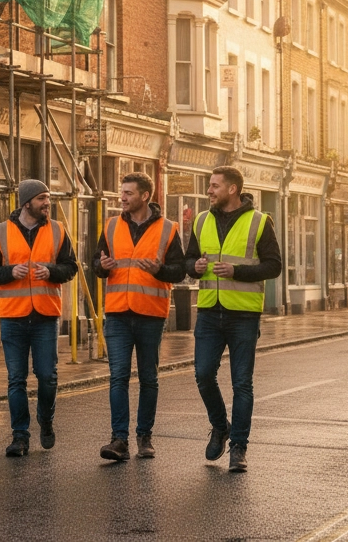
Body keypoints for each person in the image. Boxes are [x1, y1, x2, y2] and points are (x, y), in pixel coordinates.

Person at [188, 165, 283, 473]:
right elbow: (189, 261)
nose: (209, 191)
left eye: (214, 185)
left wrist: (237, 272)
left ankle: (238, 447)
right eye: (209, 185)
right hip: (208, 311)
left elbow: (273, 266)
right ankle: (220, 426)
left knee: (242, 383)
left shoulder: (259, 222)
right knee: (203, 375)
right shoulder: (202, 220)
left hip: (243, 313)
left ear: (232, 189)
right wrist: (196, 267)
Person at [92, 172, 187, 461]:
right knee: (118, 376)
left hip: (150, 314)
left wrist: (160, 270)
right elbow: (96, 263)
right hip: (118, 313)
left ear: (145, 196)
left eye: (128, 193)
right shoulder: (110, 226)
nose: (122, 198)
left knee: (148, 378)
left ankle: (145, 437)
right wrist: (103, 266)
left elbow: (180, 271)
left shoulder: (168, 229)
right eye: (122, 193)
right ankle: (118, 440)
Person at [0, 179, 77, 457]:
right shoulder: (0, 232)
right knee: (16, 379)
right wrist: (10, 272)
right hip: (14, 317)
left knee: (47, 377)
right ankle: (20, 436)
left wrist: (52, 271)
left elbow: (70, 268)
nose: (47, 202)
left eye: (48, 197)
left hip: (46, 316)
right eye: (41, 198)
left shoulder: (58, 230)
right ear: (26, 203)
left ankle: (45, 420)